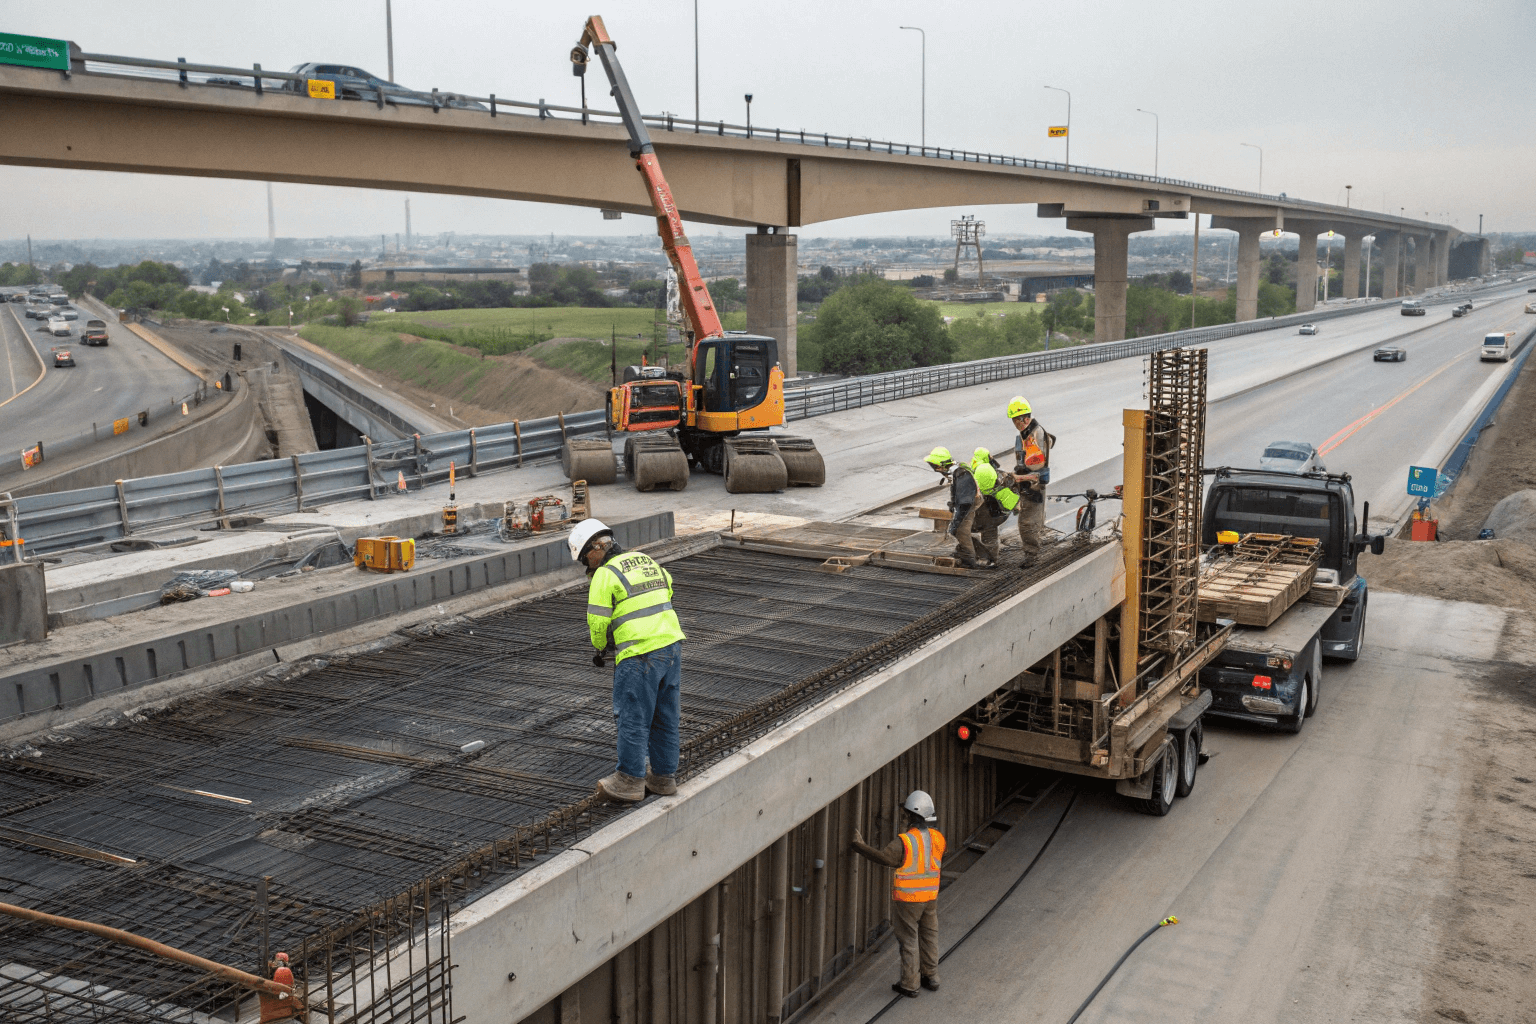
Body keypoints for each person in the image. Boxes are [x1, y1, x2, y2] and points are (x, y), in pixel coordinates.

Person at [570, 518, 686, 804]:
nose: (588, 565)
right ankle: (663, 777)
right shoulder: (646, 560)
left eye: (586, 558)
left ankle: (630, 779)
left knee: (633, 716)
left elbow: (597, 622)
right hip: (671, 645)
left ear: (595, 548)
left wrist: (601, 649)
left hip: (639, 653)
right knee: (665, 716)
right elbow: (667, 591)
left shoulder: (605, 574)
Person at [851, 791, 946, 998]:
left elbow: (886, 858)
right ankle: (931, 976)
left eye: (905, 815)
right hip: (930, 896)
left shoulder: (906, 841)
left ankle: (910, 984)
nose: (903, 817)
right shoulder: (938, 838)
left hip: (909, 899)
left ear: (913, 815)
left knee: (909, 939)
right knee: (930, 934)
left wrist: (859, 846)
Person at [927, 447, 997, 569]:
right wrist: (953, 503)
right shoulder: (956, 471)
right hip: (965, 505)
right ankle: (982, 555)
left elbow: (965, 503)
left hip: (968, 507)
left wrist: (957, 521)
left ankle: (970, 560)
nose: (935, 469)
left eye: (935, 465)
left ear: (941, 465)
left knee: (961, 532)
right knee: (958, 532)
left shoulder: (961, 474)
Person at [1007, 396, 1055, 566]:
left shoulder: (1034, 435)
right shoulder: (1027, 433)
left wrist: (1017, 478)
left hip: (1033, 485)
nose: (1015, 424)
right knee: (1031, 520)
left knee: (1026, 523)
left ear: (1025, 418)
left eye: (1016, 421)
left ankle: (1031, 556)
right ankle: (1033, 548)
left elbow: (1035, 468)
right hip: (1028, 482)